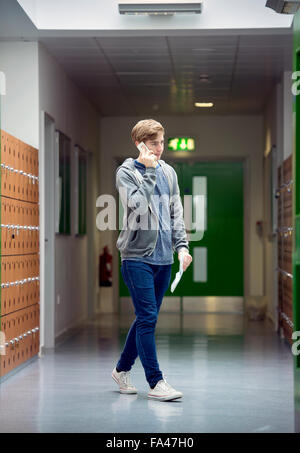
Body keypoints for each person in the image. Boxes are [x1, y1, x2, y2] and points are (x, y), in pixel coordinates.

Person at [112, 119, 192, 402]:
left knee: (148, 317)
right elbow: (137, 206)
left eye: (162, 142)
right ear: (140, 144)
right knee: (148, 318)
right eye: (154, 143)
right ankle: (156, 382)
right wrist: (147, 171)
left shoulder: (169, 172)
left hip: (163, 260)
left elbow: (176, 212)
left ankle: (121, 370)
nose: (160, 148)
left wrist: (182, 247)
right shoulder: (126, 172)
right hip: (136, 258)